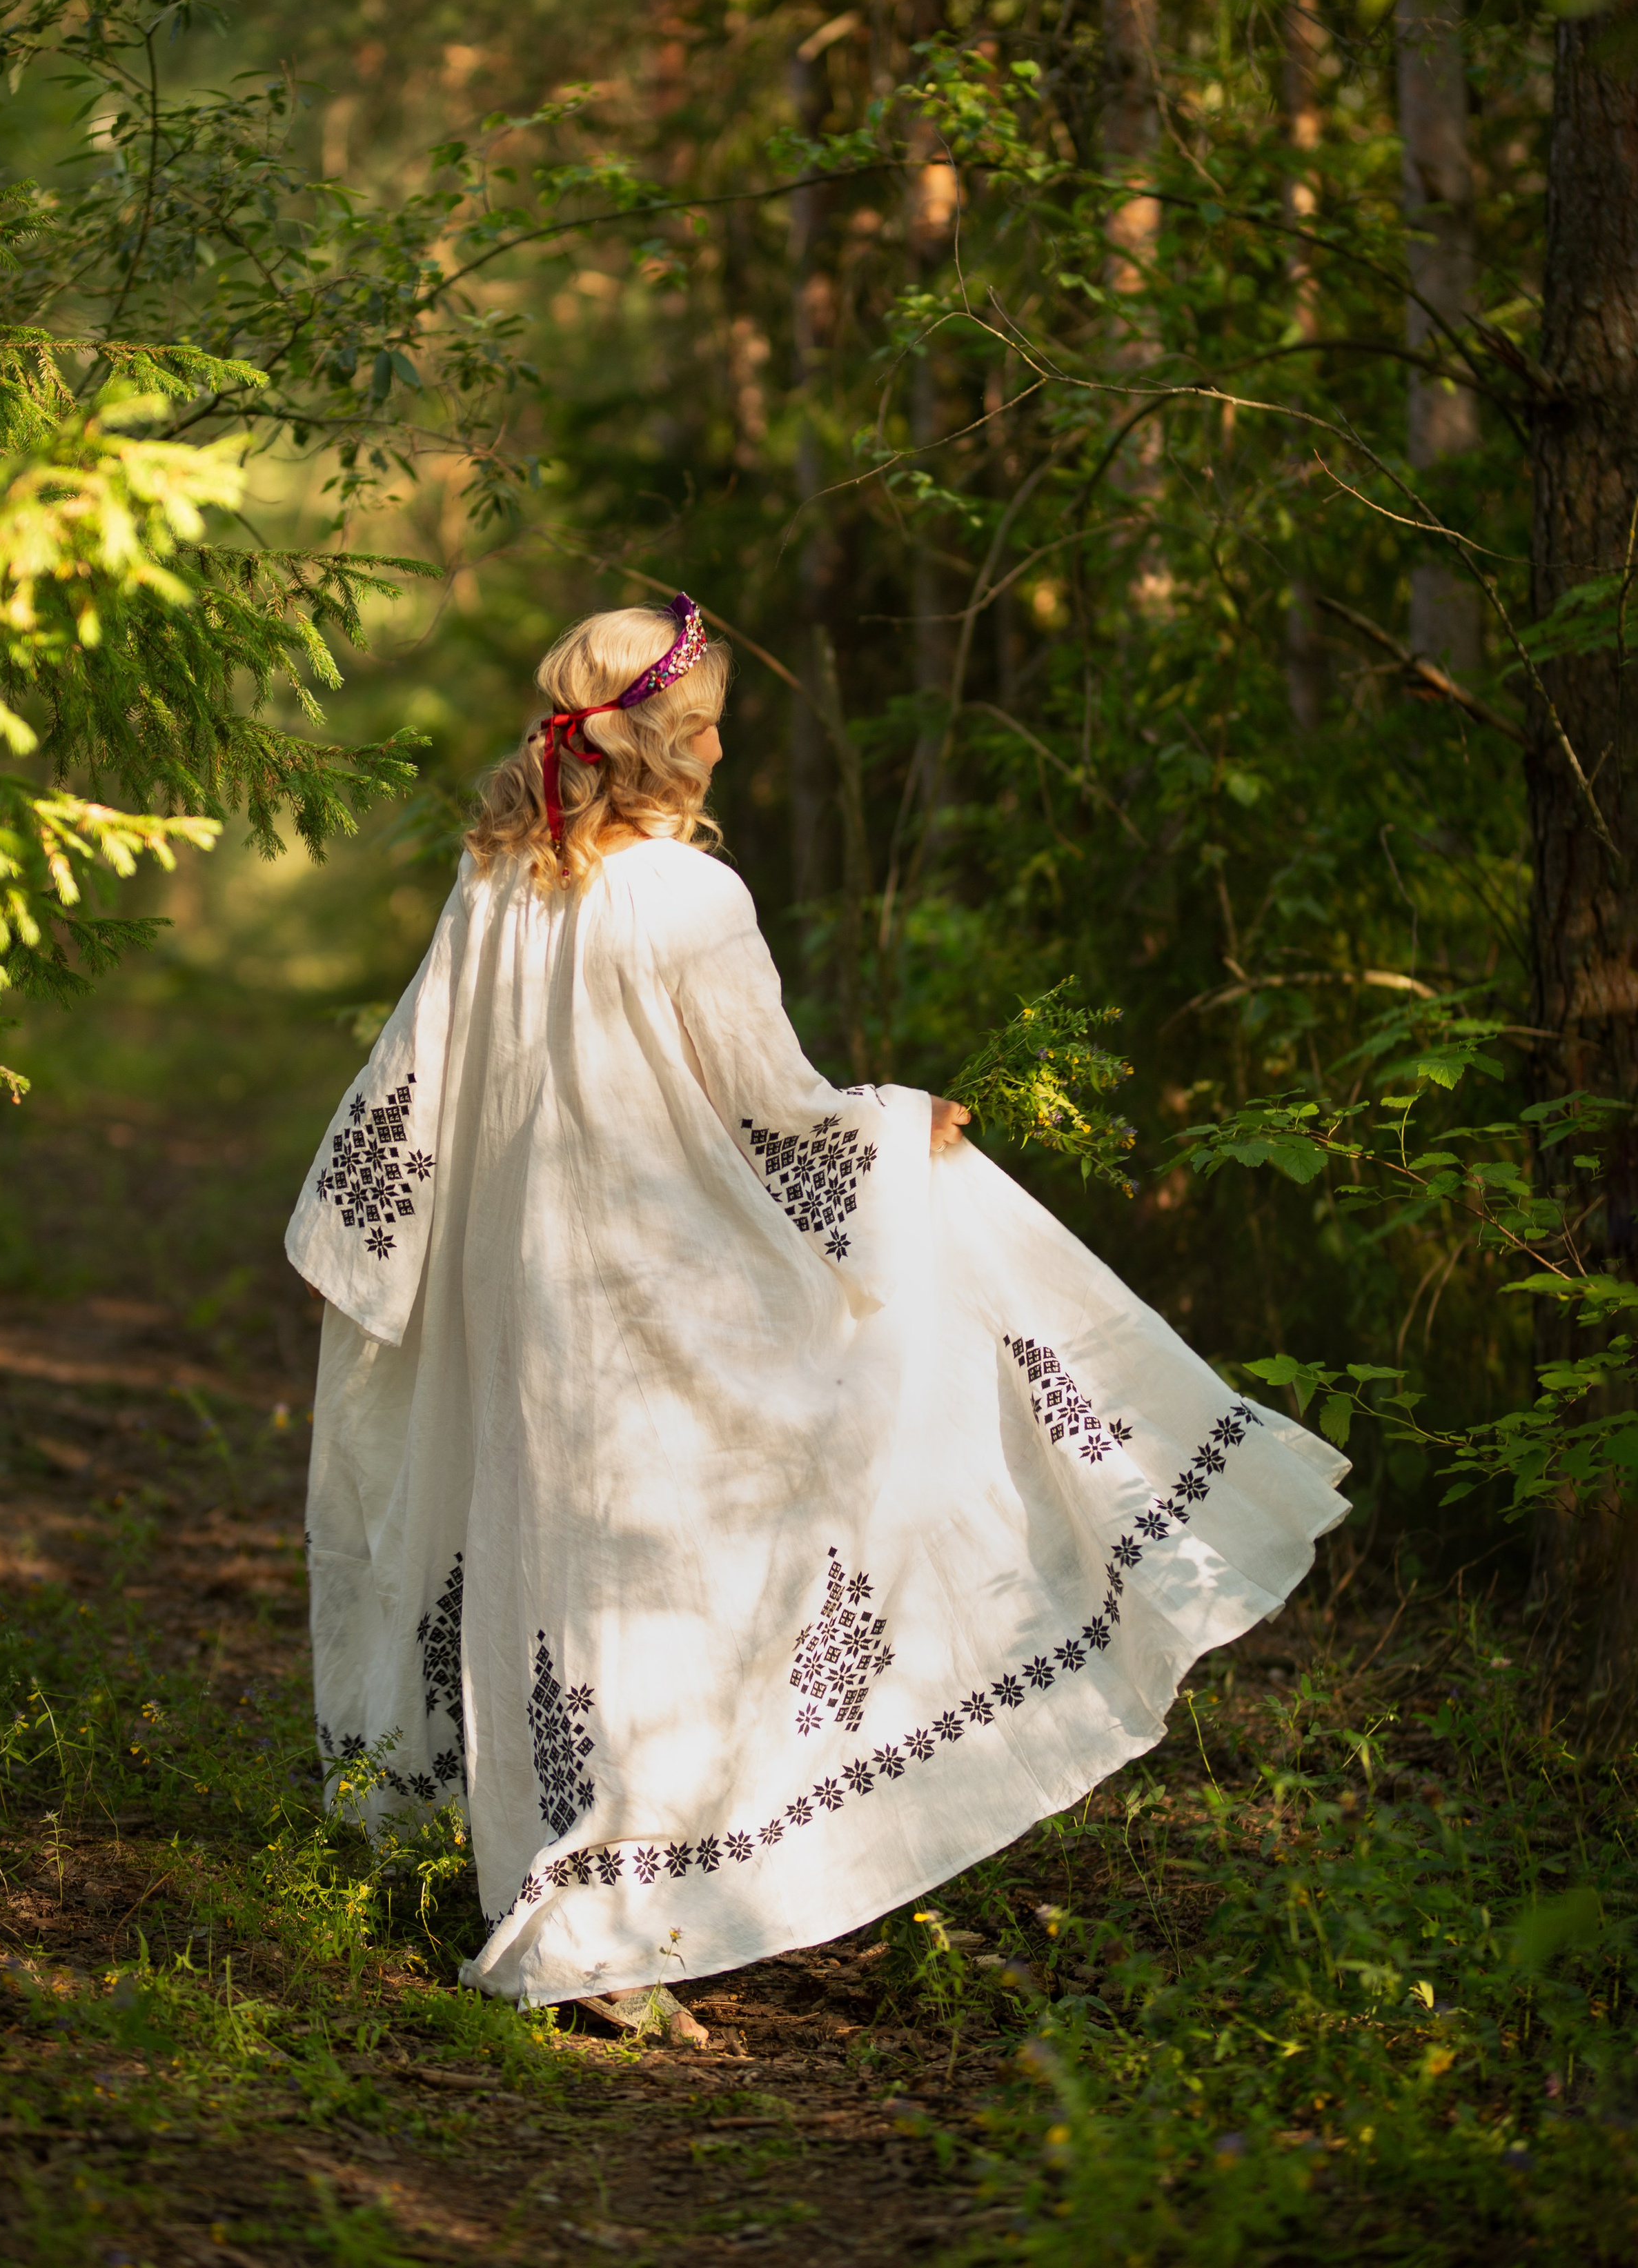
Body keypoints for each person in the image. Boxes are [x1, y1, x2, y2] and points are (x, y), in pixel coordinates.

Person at [287, 595, 1348, 2018]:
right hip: (653, 1269)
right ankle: (609, 1899)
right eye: (711, 721)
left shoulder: (493, 881)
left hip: (522, 1273)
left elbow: (403, 1098)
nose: (722, 748)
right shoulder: (688, 897)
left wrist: (389, 1256)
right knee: (664, 1536)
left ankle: (591, 1862)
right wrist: (903, 1127)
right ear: (672, 736)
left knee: (564, 1531)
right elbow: (772, 1110)